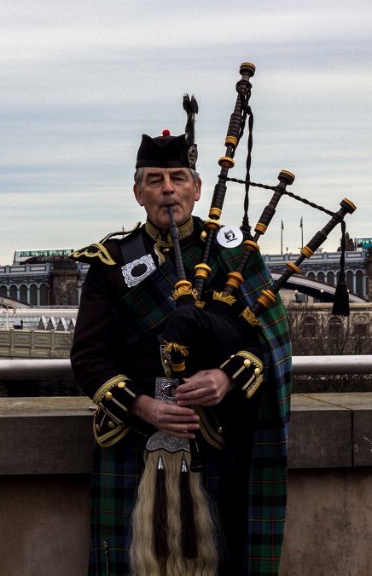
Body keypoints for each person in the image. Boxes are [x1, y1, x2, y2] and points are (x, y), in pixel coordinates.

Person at [70, 129, 292, 575]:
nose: (167, 188)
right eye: (154, 179)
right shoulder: (110, 262)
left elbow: (265, 343)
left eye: (177, 178)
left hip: (211, 436)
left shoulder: (235, 256)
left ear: (197, 189)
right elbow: (89, 357)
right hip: (131, 438)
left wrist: (227, 378)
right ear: (138, 193)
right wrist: (144, 406)